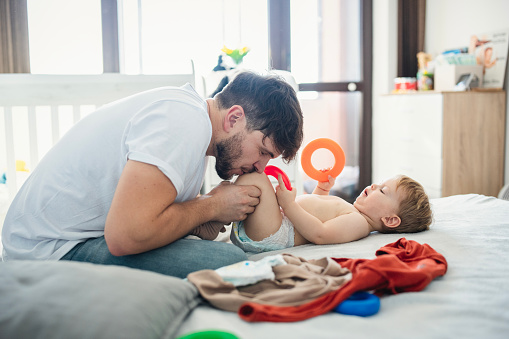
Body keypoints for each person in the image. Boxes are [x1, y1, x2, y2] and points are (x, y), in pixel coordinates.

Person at [1, 71, 304, 278]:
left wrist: (201, 218)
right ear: (235, 118)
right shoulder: (183, 121)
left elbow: (152, 213)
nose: (260, 167)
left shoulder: (188, 123)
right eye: (263, 151)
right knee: (240, 266)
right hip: (46, 254)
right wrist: (211, 206)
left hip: (58, 239)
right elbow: (126, 236)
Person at [229, 171, 432, 253]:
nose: (373, 185)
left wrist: (289, 206)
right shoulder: (353, 211)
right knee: (251, 185)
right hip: (276, 222)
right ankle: (216, 219)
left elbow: (320, 233)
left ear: (389, 219)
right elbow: (318, 209)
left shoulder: (359, 224)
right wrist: (323, 189)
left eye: (382, 190)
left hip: (275, 233)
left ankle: (215, 217)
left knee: (255, 180)